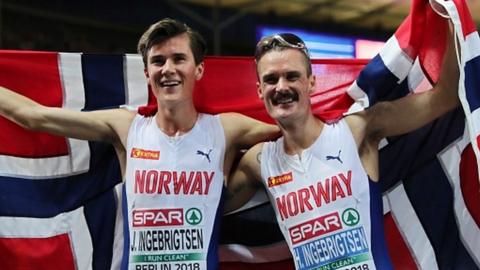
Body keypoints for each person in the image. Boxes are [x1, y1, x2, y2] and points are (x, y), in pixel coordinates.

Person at [0, 18, 278, 270]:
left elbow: (294, 133)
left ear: (199, 69)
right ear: (147, 73)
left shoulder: (227, 129)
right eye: (158, 61)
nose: (168, 69)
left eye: (179, 58)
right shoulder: (126, 127)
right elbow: (34, 117)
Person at [225, 28, 459, 269]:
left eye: (292, 76)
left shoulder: (358, 131)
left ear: (311, 83)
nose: (281, 87)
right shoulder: (260, 161)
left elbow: (444, 98)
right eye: (271, 79)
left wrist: (452, 19)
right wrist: (226, 135)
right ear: (259, 90)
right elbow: (205, 204)